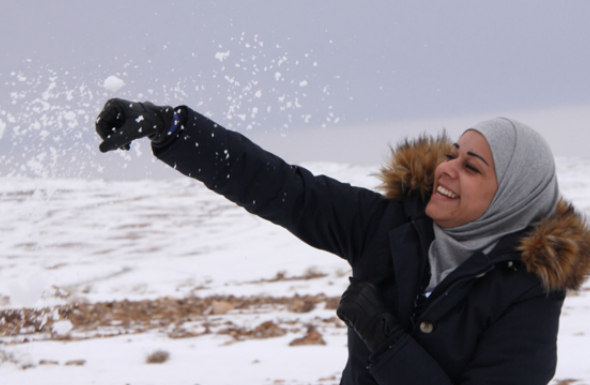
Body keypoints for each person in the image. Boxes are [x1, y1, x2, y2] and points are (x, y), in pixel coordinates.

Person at [95, 98, 590, 384]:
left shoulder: (527, 295)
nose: (447, 168)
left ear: (512, 197)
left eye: (471, 166)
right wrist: (173, 129)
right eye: (454, 153)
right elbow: (284, 188)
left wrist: (385, 341)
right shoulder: (393, 226)